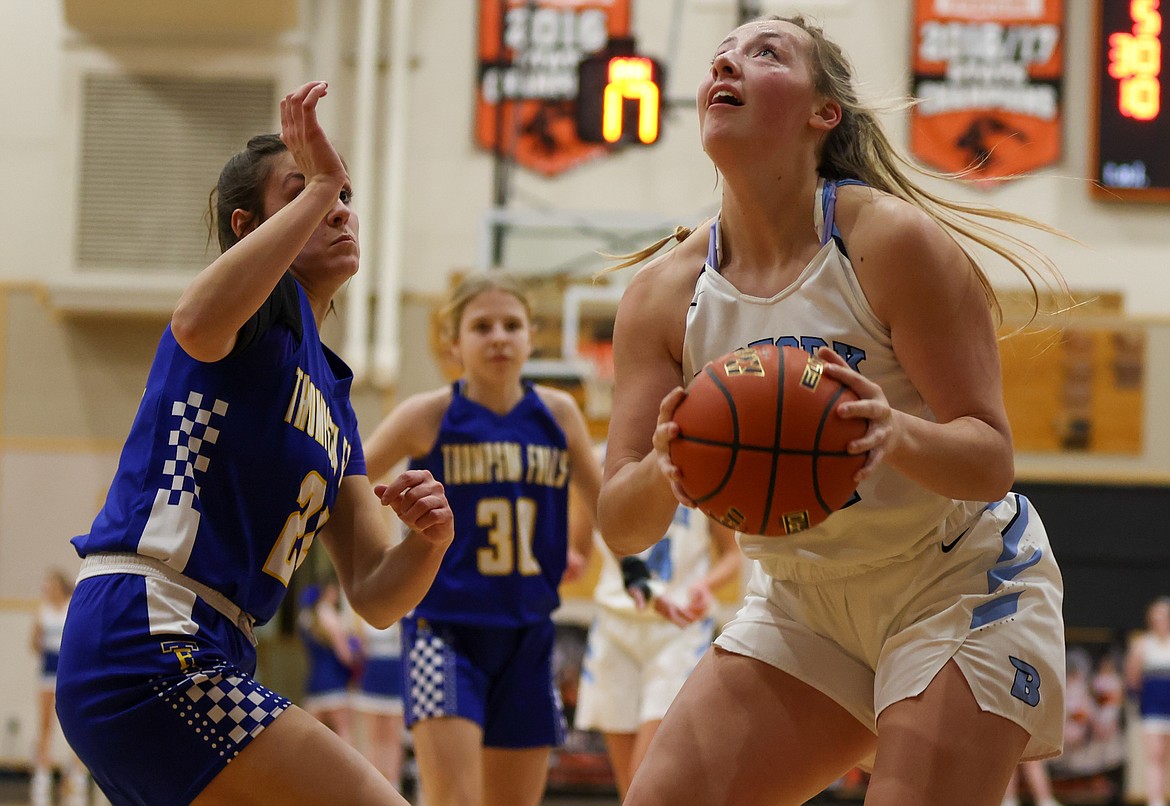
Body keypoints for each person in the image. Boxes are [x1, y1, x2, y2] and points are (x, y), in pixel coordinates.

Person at [598, 15, 1067, 806]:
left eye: (766, 53)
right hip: (798, 600)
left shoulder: (890, 243)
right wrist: (666, 467)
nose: (729, 63)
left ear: (825, 113)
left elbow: (989, 459)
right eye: (722, 55)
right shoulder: (662, 296)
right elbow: (621, 521)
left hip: (956, 582)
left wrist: (895, 431)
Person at [54, 81, 455, 806]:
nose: (337, 206)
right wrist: (322, 181)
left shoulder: (334, 401)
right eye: (304, 190)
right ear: (249, 226)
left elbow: (375, 592)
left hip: (210, 640)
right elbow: (196, 319)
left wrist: (427, 542)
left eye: (343, 193)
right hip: (145, 626)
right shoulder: (247, 317)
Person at [363, 271, 604, 806]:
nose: (499, 336)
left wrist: (583, 546)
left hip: (529, 634)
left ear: (531, 337)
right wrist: (378, 558)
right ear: (454, 344)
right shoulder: (428, 415)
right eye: (482, 326)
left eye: (512, 324)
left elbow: (605, 500)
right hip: (443, 632)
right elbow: (349, 482)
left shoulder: (559, 415)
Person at [573, 490, 741, 800]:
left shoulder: (702, 461)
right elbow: (577, 551)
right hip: (615, 626)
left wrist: (705, 584)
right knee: (630, 787)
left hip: (678, 630)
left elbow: (733, 554)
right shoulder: (597, 461)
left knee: (649, 779)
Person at [29, 567, 91, 806]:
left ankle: (76, 774)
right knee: (45, 724)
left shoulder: (70, 607)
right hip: (47, 672)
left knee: (74, 722)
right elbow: (34, 644)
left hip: (67, 673)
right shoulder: (41, 611)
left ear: (60, 585)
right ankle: (42, 776)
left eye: (51, 584)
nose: (47, 588)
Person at [350, 614, 407, 788]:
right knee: (373, 734)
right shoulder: (362, 616)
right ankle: (373, 784)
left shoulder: (402, 614)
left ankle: (394, 784)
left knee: (393, 735)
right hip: (373, 676)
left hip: (395, 676)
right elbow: (356, 649)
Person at [297, 582, 357, 741]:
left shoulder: (305, 618)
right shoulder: (329, 615)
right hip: (335, 680)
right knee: (344, 734)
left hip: (314, 681)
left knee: (309, 738)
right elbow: (345, 655)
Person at [1125, 596, 1170, 806]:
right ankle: (1155, 800)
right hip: (1152, 709)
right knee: (1154, 756)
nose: (1163, 621)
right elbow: (1132, 678)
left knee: (1166, 758)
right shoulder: (1142, 645)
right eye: (1159, 617)